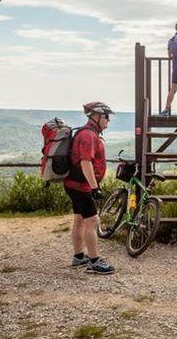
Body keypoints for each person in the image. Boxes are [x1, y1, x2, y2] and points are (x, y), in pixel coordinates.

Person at [64, 102, 115, 275]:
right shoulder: (88, 135)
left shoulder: (89, 133)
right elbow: (85, 162)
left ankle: (79, 257)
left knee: (80, 220)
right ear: (96, 116)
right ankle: (94, 262)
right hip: (81, 186)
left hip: (74, 184)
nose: (108, 120)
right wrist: (94, 187)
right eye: (106, 116)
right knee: (93, 221)